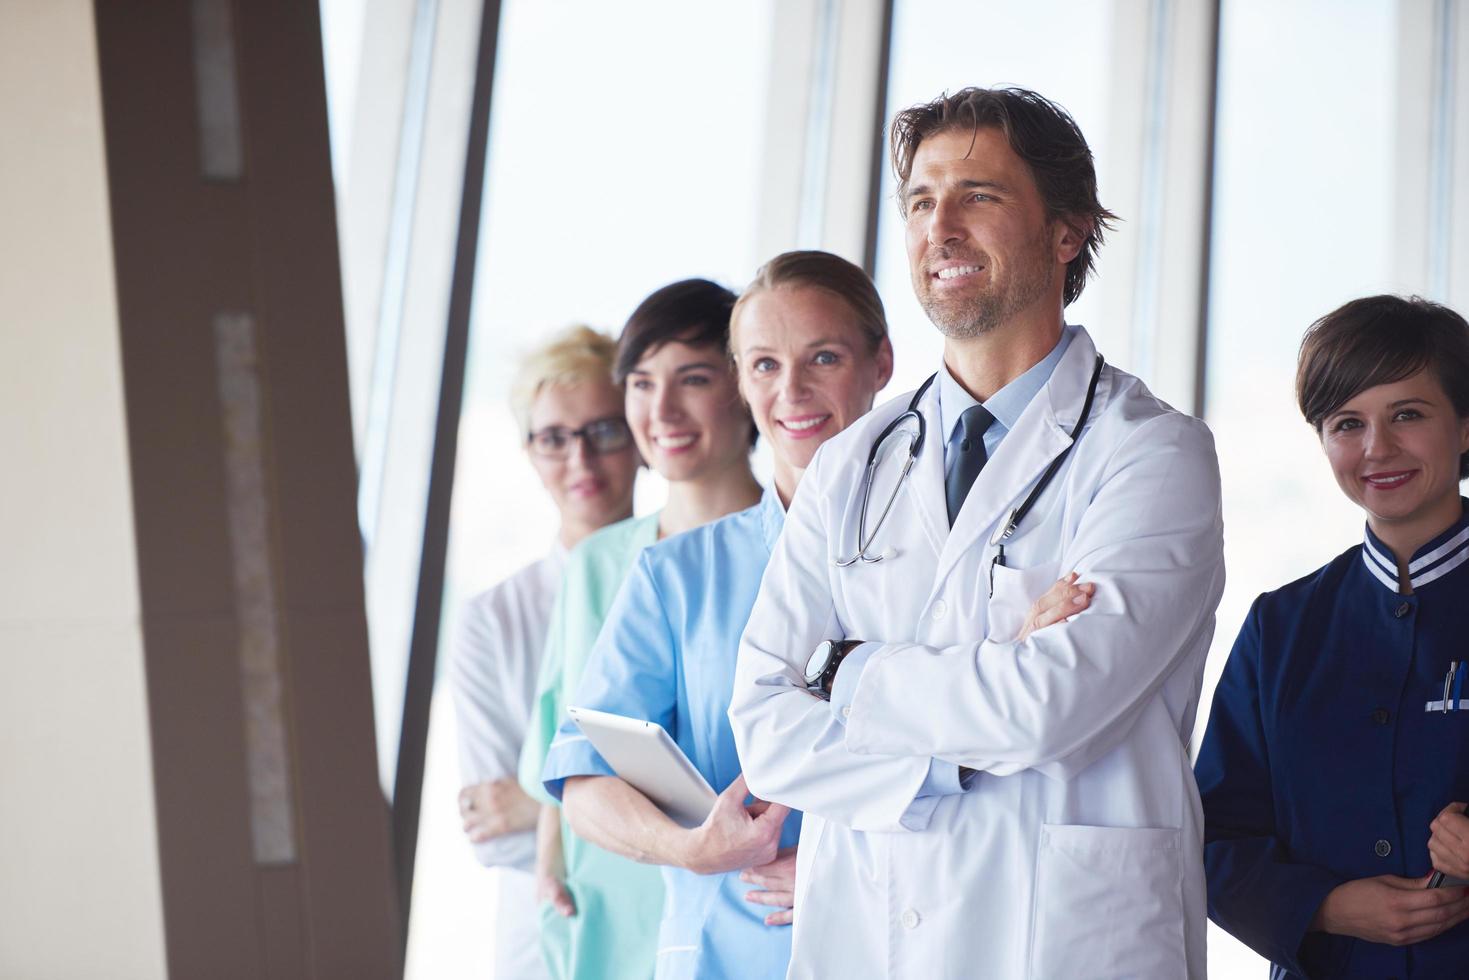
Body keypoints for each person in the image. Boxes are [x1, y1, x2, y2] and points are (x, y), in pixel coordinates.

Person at [728, 85, 1225, 978]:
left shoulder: (1152, 455)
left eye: (978, 197)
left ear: (1066, 231)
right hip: (869, 936)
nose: (939, 228)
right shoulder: (852, 464)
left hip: (1067, 941)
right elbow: (766, 726)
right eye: (920, 202)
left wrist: (846, 667)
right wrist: (972, 724)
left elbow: (1050, 705)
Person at [538, 251, 895, 979]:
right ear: (741, 380)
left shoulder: (943, 555)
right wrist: (690, 849)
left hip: (898, 937)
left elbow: (991, 761)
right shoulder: (677, 575)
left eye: (821, 357)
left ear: (880, 363)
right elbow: (583, 779)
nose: (790, 389)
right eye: (763, 365)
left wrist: (847, 867)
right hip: (726, 953)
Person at [1196, 295, 1469, 979]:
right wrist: (1327, 906)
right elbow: (1211, 838)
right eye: (1347, 423)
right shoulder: (1279, 628)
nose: (1376, 448)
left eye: (1407, 414)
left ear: (1465, 427)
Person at [518, 279, 762, 980]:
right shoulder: (597, 562)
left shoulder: (790, 552)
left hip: (741, 887)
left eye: (692, 379)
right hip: (605, 883)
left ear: (744, 384)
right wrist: (548, 867)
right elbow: (561, 733)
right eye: (641, 382)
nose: (660, 411)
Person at [449, 325, 638, 980]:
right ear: (529, 451)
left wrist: (543, 805)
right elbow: (494, 829)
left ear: (640, 434)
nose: (580, 461)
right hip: (540, 934)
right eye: (555, 438)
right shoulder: (490, 620)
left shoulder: (680, 582)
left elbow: (705, 803)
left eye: (604, 431)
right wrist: (631, 812)